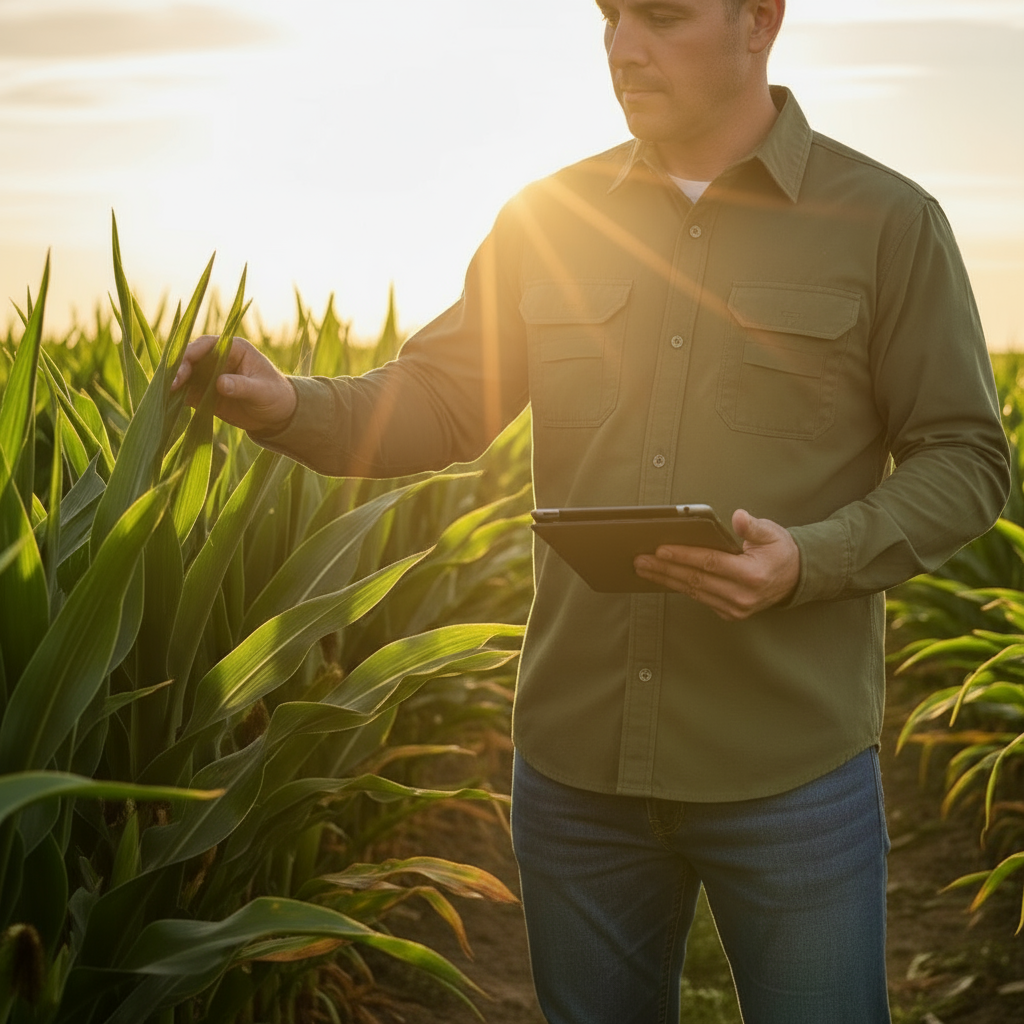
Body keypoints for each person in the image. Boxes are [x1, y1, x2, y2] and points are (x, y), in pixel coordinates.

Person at [172, 1, 1010, 1021]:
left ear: (760, 21)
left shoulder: (886, 221)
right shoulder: (546, 218)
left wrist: (810, 557)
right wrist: (288, 402)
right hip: (575, 776)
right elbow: (439, 399)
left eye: (660, 17)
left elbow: (966, 459)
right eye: (610, 15)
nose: (622, 47)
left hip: (790, 774)